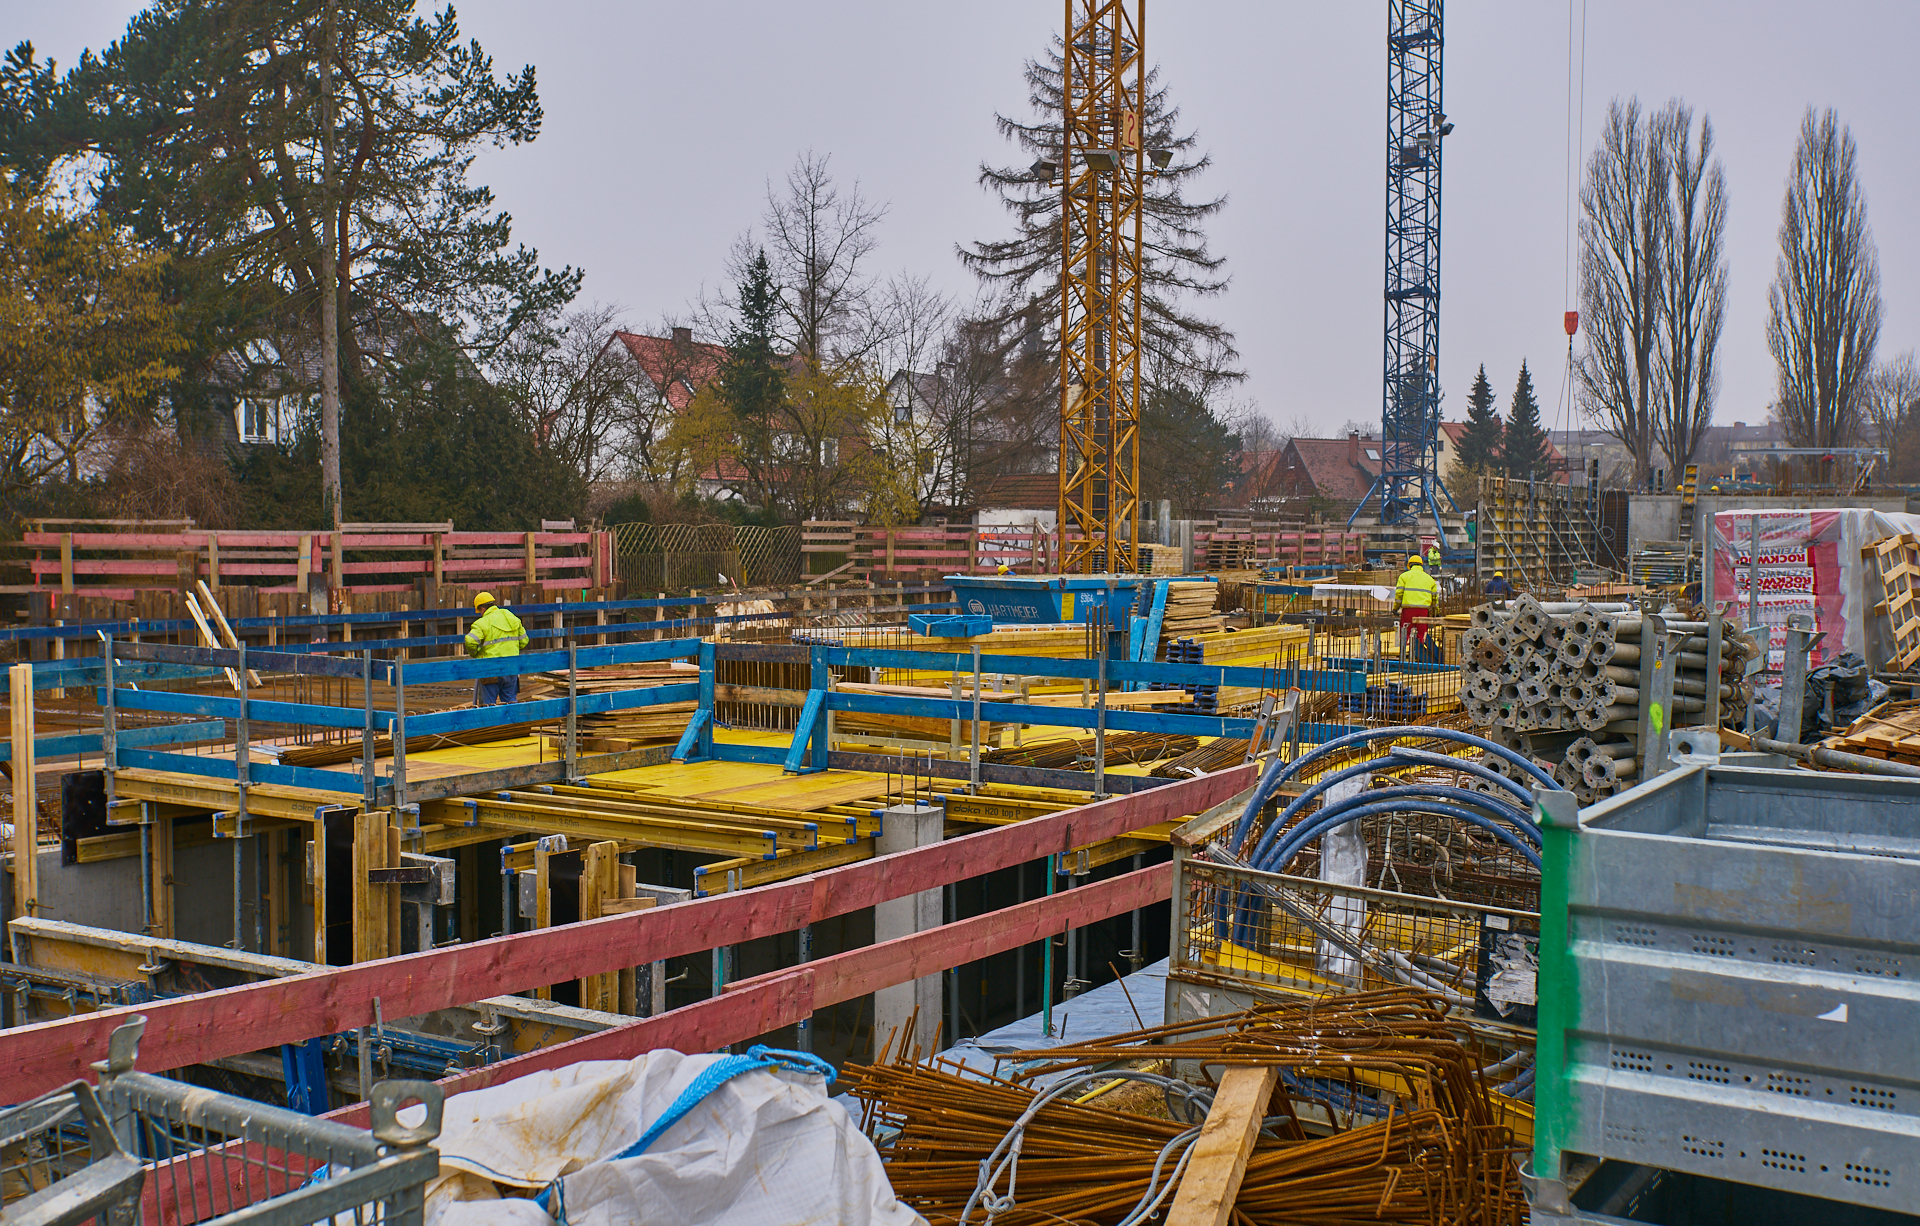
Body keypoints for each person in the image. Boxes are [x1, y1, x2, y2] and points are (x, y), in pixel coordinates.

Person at [464, 590, 528, 706]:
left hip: (491, 670)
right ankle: (511, 724)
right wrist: (511, 650)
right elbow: (524, 640)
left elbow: (470, 640)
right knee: (510, 704)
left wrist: (476, 654)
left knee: (489, 708)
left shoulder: (482, 623)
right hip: (511, 668)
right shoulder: (510, 616)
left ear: (482, 609)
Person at [1392, 553, 1438, 648]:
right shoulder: (1429, 579)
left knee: (1405, 632)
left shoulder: (1404, 577)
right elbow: (1435, 599)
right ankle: (1419, 653)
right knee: (1421, 634)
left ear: (1410, 565)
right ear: (1421, 565)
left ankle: (1403, 652)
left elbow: (1399, 595)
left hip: (1408, 609)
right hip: (1423, 610)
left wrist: (1395, 608)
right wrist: (1435, 612)